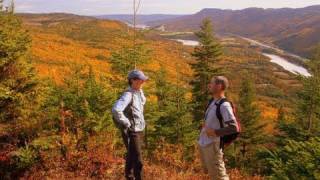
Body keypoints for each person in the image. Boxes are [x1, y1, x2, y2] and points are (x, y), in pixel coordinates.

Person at [198, 76, 239, 180]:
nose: (209, 85)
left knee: (220, 177)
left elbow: (234, 128)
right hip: (205, 144)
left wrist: (215, 132)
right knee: (211, 174)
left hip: (213, 146)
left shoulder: (224, 105)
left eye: (211, 83)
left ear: (219, 86)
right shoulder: (213, 101)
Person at [112, 70, 148, 180]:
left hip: (139, 128)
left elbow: (142, 103)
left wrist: (140, 91)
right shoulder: (128, 94)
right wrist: (126, 122)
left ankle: (129, 176)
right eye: (140, 80)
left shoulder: (138, 92)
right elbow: (116, 110)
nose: (142, 82)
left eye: (143, 80)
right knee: (138, 159)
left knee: (132, 154)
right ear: (132, 80)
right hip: (132, 131)